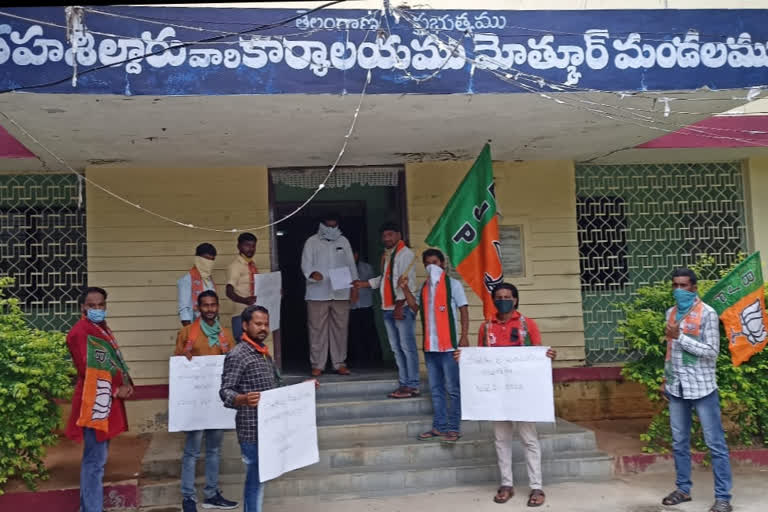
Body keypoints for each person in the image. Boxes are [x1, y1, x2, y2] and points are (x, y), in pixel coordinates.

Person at [455, 282, 556, 507]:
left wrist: (547, 355)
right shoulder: (486, 327)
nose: (503, 300)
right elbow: (481, 359)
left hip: (522, 393)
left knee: (529, 439)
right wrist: (466, 361)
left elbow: (538, 354)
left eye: (507, 296)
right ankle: (506, 484)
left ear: (515, 300)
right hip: (497, 394)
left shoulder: (527, 324)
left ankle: (536, 487)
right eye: (498, 296)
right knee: (501, 440)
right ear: (493, 300)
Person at [660, 268, 732, 512]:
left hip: (702, 388)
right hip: (676, 386)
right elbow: (669, 350)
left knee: (715, 444)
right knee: (679, 441)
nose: (679, 290)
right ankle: (683, 489)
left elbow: (712, 351)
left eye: (683, 285)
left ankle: (723, 497)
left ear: (694, 287)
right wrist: (665, 378)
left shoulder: (707, 314)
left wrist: (681, 336)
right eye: (675, 286)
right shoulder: (670, 314)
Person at [65, 287, 134, 512]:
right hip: (94, 402)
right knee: (95, 462)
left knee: (95, 460)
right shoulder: (80, 332)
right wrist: (116, 390)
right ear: (83, 307)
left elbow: (111, 361)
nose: (97, 309)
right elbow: (88, 369)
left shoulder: (98, 328)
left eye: (100, 305)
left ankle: (88, 508)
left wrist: (126, 381)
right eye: (91, 305)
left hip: (103, 399)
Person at [173, 290, 238, 512]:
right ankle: (188, 498)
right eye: (205, 305)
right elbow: (179, 367)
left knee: (214, 450)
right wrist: (184, 359)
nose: (210, 309)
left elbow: (233, 364)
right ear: (198, 308)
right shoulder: (187, 333)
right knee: (191, 451)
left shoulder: (226, 335)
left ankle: (211, 495)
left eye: (213, 305)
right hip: (195, 403)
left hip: (217, 403)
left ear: (218, 307)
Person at [400, 249, 468, 443]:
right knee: (436, 389)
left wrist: (463, 336)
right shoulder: (424, 287)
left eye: (435, 263)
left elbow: (463, 310)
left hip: (449, 347)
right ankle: (439, 427)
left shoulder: (453, 285)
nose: (432, 267)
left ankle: (453, 428)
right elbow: (415, 308)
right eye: (428, 263)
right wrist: (405, 290)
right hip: (431, 347)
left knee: (453, 389)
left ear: (443, 264)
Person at [219, 305, 281, 512]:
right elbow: (225, 391)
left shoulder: (263, 353)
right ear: (245, 326)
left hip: (268, 428)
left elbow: (275, 387)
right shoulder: (238, 354)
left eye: (266, 324)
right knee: (255, 481)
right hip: (251, 430)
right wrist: (243, 399)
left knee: (259, 480)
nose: (263, 328)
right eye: (258, 324)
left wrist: (305, 388)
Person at [353, 222, 419, 398]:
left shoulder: (405, 254)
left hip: (401, 307)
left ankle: (412, 384)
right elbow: (386, 279)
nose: (387, 238)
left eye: (390, 235)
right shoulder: (389, 255)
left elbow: (408, 284)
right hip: (388, 308)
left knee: (407, 347)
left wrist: (399, 305)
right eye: (384, 236)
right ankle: (404, 383)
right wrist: (364, 284)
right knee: (397, 348)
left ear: (398, 235)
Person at [300, 213, 358, 376]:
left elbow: (351, 265)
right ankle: (318, 364)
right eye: (328, 226)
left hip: (341, 292)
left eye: (334, 226)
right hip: (318, 293)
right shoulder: (312, 242)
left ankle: (339, 363)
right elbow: (305, 264)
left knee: (340, 329)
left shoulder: (343, 241)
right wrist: (312, 274)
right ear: (321, 225)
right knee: (317, 330)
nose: (332, 229)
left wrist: (355, 288)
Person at [347, 249, 382, 366]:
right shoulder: (342, 270)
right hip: (350, 306)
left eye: (352, 254)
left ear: (356, 255)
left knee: (369, 333)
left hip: (365, 304)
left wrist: (360, 285)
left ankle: (373, 360)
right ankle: (357, 359)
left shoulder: (367, 268)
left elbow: (374, 285)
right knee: (354, 334)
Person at [226, 233, 259, 342]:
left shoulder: (252, 265)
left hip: (253, 314)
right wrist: (244, 300)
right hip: (240, 315)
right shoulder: (235, 266)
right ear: (239, 246)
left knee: (254, 347)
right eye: (247, 245)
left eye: (253, 246)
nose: (251, 249)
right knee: (243, 348)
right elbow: (229, 291)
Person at [177, 243, 218, 326]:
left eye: (212, 260)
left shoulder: (209, 280)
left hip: (211, 326)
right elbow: (184, 310)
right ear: (197, 258)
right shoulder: (187, 280)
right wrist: (189, 332)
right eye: (206, 259)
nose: (209, 263)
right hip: (194, 325)